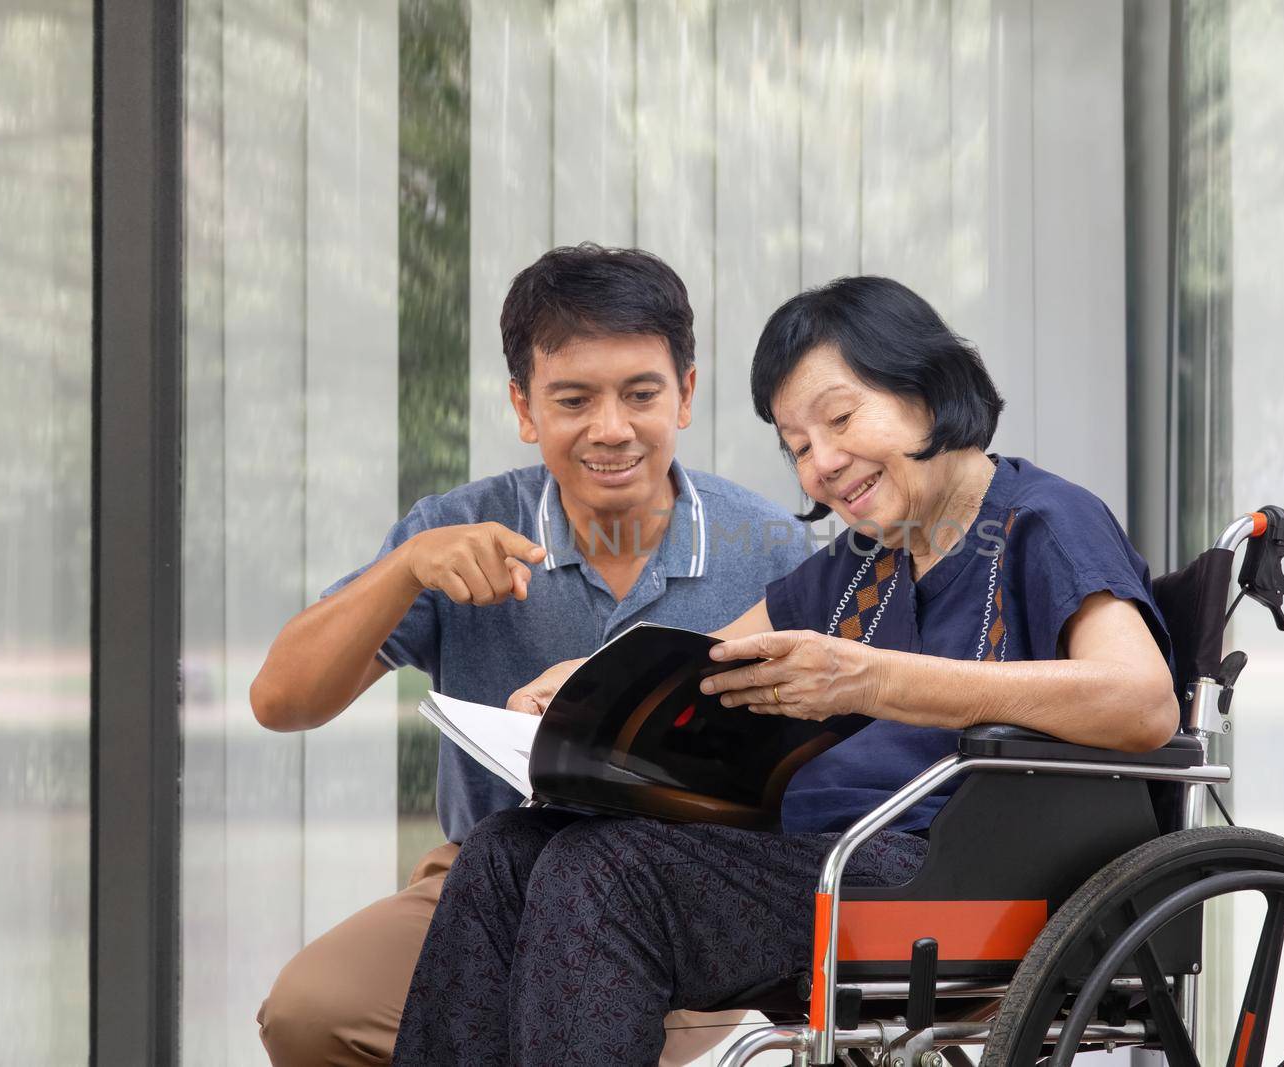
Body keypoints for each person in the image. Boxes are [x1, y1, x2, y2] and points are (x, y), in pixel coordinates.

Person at [391, 275, 1182, 1065]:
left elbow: (1143, 702)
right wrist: (585, 685)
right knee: (506, 848)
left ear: (931, 387)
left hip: (951, 874)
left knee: (605, 871)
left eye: (840, 418)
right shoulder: (864, 561)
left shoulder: (1044, 521)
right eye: (799, 445)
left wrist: (874, 680)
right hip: (818, 858)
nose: (824, 463)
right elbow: (709, 663)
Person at [249, 244, 810, 1066]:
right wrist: (403, 571)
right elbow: (280, 700)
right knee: (310, 1012)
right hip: (487, 873)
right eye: (573, 398)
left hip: (688, 895)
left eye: (641, 394)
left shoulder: (769, 548)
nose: (610, 428)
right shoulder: (458, 529)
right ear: (523, 405)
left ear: (686, 394)